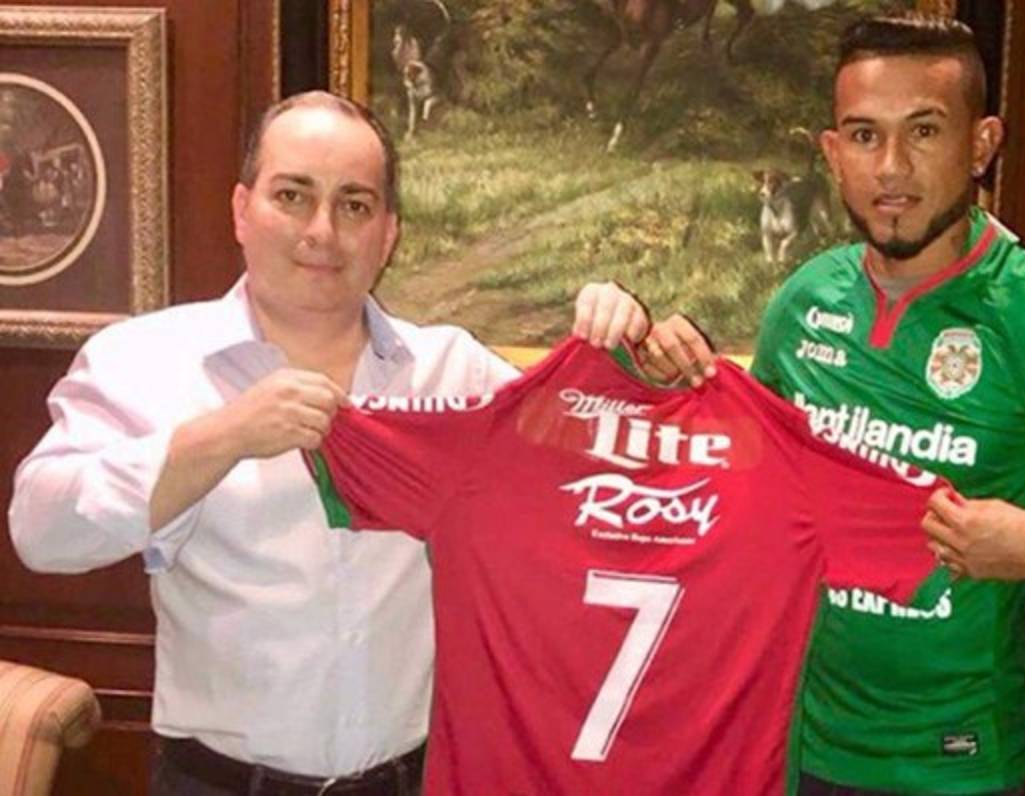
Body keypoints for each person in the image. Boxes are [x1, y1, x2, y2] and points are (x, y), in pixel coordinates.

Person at [7, 90, 649, 796]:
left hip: (415, 781)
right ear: (242, 210)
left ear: (388, 233)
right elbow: (41, 531)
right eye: (293, 195)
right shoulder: (146, 359)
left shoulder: (455, 371)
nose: (323, 230)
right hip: (218, 786)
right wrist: (220, 438)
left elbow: (605, 470)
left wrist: (634, 357)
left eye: (354, 204)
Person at [643, 14, 1025, 796]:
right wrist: (674, 391)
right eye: (865, 135)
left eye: (925, 131)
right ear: (832, 152)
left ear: (982, 145)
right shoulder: (803, 301)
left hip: (959, 763)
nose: (891, 167)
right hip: (790, 741)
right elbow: (751, 490)